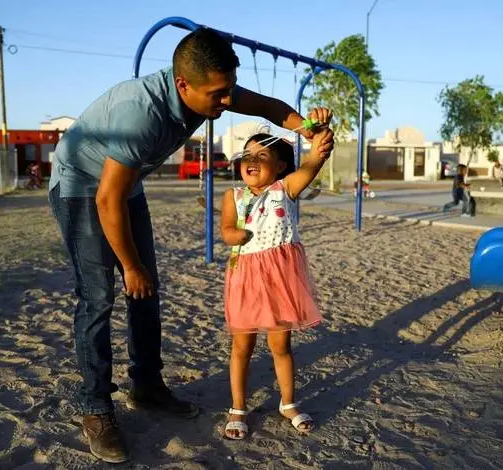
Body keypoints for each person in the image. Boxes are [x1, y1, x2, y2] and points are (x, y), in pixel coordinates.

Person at [47, 27, 332, 463]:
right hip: (81, 187)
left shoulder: (212, 88)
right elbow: (106, 199)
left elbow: (270, 108)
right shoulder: (140, 114)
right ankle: (96, 407)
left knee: (146, 288)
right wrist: (130, 265)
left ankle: (147, 386)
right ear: (183, 85)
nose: (226, 101)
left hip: (125, 187)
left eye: (229, 90)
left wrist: (307, 128)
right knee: (99, 295)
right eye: (218, 95)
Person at [219, 123, 334, 440]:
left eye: (262, 155)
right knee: (242, 345)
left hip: (281, 279)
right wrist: (233, 234)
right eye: (247, 154)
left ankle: (288, 402)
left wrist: (319, 136)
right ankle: (238, 407)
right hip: (245, 278)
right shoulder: (233, 196)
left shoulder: (286, 189)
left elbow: (313, 162)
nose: (251, 160)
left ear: (281, 166)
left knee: (281, 345)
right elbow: (226, 229)